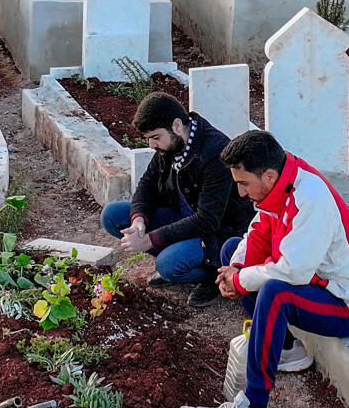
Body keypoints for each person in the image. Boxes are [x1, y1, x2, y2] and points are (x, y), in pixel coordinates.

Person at [211, 128, 349, 408]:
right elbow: (257, 231)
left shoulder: (309, 197)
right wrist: (235, 268)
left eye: (244, 184)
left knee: (275, 294)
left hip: (345, 305)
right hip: (313, 289)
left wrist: (240, 280)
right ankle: (286, 349)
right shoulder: (279, 185)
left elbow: (294, 273)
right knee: (231, 250)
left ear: (269, 176)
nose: (242, 194)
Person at [102, 92, 252, 306]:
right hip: (182, 217)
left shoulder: (214, 151)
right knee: (112, 215)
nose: (152, 145)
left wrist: (149, 240)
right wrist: (138, 220)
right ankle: (179, 257)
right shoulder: (171, 145)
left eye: (155, 137)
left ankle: (213, 275)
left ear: (177, 125)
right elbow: (147, 183)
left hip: (216, 233)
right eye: (149, 139)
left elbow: (208, 220)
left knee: (168, 265)